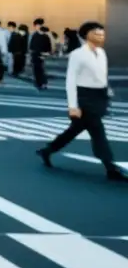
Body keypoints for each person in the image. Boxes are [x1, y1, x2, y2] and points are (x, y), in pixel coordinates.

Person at [36, 22, 127, 182]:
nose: (101, 36)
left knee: (75, 129)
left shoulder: (101, 52)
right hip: (84, 96)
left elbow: (102, 74)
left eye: (102, 33)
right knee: (98, 130)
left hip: (99, 96)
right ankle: (110, 167)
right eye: (96, 33)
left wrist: (107, 89)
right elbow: (71, 80)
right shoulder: (78, 54)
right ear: (86, 36)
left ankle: (48, 150)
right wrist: (73, 106)